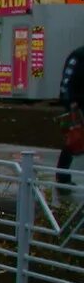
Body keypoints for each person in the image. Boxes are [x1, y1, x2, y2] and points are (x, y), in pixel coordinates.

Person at [58, 43, 84, 194]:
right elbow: (67, 79)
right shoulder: (78, 56)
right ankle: (62, 177)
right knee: (74, 140)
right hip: (77, 103)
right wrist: (69, 101)